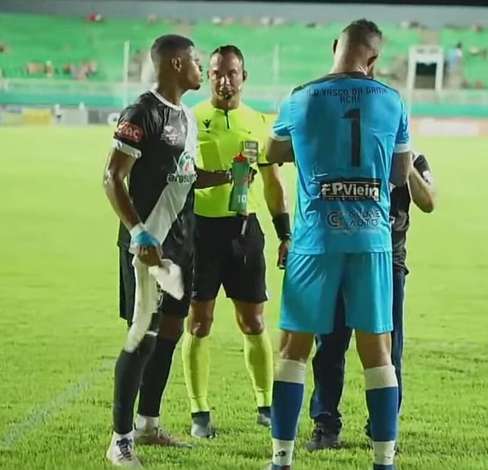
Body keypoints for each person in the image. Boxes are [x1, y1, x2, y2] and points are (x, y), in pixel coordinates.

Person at [264, 18, 412, 470]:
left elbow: (272, 153)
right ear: (372, 59)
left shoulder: (300, 97)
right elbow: (401, 175)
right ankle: (384, 461)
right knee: (378, 350)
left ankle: (281, 459)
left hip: (315, 238)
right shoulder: (391, 100)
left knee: (294, 348)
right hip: (372, 240)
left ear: (336, 47)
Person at [102, 34, 231, 467]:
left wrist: (228, 176)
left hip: (182, 242)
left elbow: (186, 176)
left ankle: (148, 424)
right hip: (149, 246)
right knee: (141, 336)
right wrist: (138, 232)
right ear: (177, 64)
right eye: (196, 61)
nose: (201, 69)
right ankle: (119, 440)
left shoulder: (186, 119)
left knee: (171, 333)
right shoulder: (142, 112)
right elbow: (112, 178)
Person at [181, 44, 290, 438]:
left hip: (245, 233)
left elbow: (274, 184)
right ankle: (199, 413)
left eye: (231, 72)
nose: (224, 79)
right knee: (199, 324)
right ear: (207, 77)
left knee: (254, 322)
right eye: (216, 73)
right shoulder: (191, 120)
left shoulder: (260, 122)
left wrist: (284, 234)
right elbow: (183, 178)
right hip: (200, 232)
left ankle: (265, 404)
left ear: (244, 77)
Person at [306, 151, 435, 450]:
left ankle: (383, 425)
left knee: (389, 349)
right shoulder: (356, 152)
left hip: (388, 262)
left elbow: (429, 202)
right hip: (342, 255)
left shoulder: (416, 160)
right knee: (329, 343)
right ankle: (325, 424)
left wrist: (406, 163)